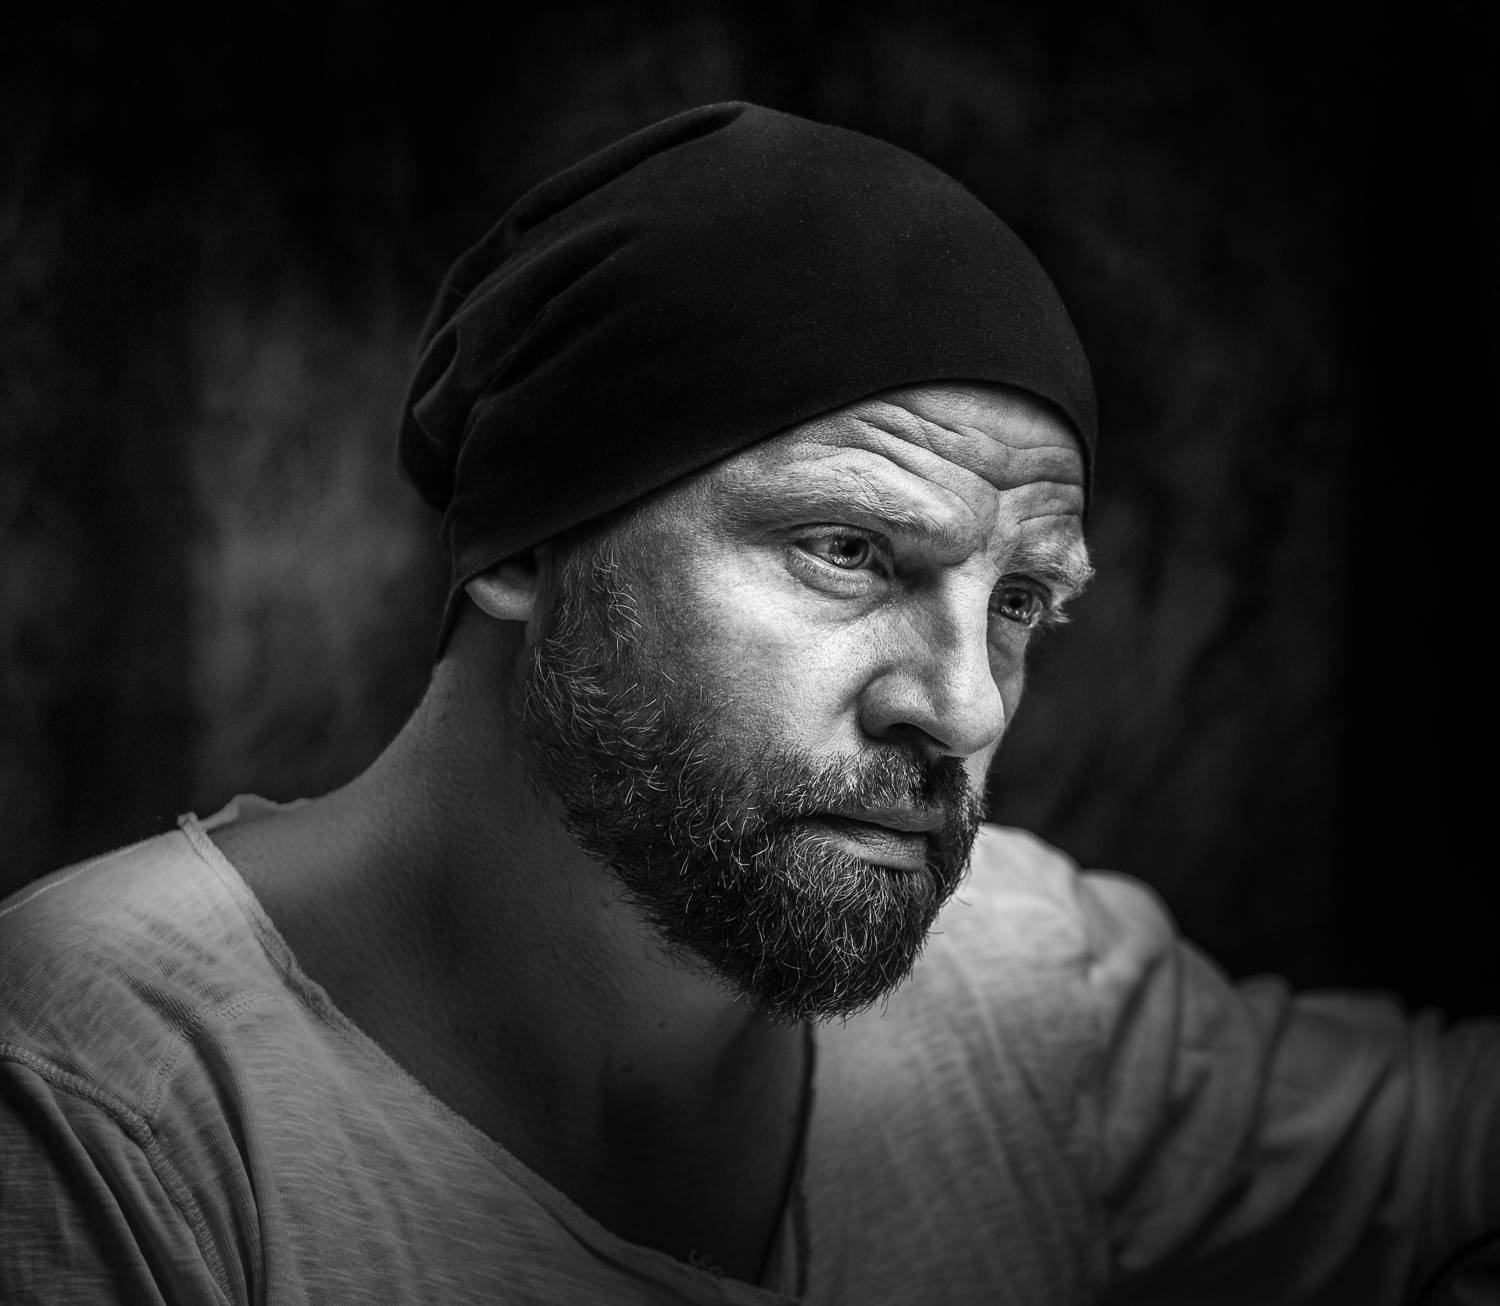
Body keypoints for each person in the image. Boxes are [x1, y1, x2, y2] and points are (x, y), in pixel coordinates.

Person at [0, 101, 1494, 1306]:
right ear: (524, 538)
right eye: (849, 549)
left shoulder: (1031, 990)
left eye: (1021, 602)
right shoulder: (100, 1102)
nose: (966, 709)